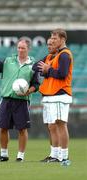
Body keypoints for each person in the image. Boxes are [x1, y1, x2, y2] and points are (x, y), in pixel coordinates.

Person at [0, 38, 40, 162]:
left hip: (22, 101)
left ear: (28, 49)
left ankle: (20, 156)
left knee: (22, 129)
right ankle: (4, 155)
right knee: (3, 127)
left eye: (23, 48)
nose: (20, 50)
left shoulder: (33, 65)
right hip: (6, 99)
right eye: (18, 47)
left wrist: (28, 91)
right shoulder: (8, 61)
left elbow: (36, 84)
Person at [33, 28, 73, 165]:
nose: (53, 40)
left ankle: (65, 157)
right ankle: (55, 155)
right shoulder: (53, 56)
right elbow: (36, 67)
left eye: (55, 38)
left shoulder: (65, 55)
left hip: (60, 94)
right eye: (52, 38)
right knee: (51, 126)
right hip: (50, 94)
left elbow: (62, 74)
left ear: (62, 39)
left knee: (61, 124)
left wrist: (48, 70)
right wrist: (47, 70)